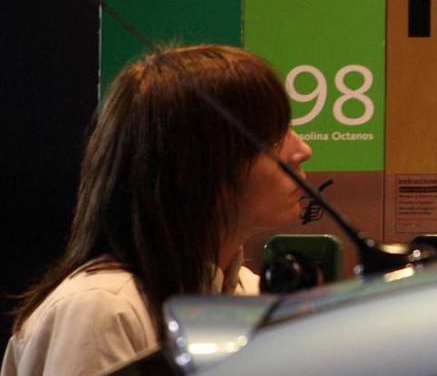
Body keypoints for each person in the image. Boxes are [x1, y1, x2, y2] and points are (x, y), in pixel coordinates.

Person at [3, 45, 312, 376]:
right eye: (274, 136)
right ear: (199, 166)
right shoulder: (101, 309)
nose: (303, 150)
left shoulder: (248, 294)